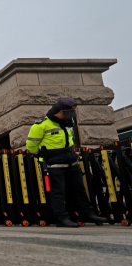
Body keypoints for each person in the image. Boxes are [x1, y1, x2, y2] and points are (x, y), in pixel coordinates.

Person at [26, 97, 108, 227]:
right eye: (66, 114)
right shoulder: (41, 125)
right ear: (58, 112)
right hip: (54, 164)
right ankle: (61, 218)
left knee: (79, 189)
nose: (68, 117)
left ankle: (86, 214)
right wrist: (44, 158)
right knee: (58, 192)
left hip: (71, 161)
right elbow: (31, 146)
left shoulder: (68, 123)